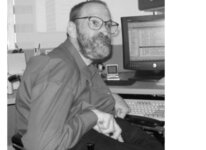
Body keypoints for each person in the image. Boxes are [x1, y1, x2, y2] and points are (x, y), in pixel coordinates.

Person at [14, 1, 164, 150]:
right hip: (65, 139)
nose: (105, 31)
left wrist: (112, 97)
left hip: (84, 126)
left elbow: (75, 94)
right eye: (94, 22)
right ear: (72, 29)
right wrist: (94, 116)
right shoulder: (58, 68)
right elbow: (42, 146)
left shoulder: (84, 64)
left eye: (107, 24)